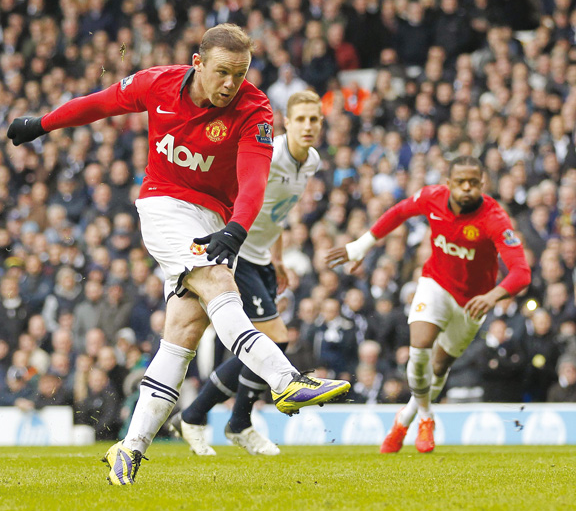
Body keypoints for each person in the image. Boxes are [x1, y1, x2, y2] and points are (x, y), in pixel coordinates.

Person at [7, 24, 350, 484]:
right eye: (222, 72)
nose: (231, 84)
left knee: (183, 334)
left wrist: (235, 228)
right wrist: (42, 123)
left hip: (215, 220)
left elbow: (253, 180)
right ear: (197, 63)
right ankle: (285, 380)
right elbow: (99, 103)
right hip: (164, 204)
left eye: (240, 73)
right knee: (218, 284)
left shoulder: (255, 109)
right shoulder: (158, 83)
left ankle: (129, 449)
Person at [327, 156, 531, 453]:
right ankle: (425, 417)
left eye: (473, 183)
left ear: (482, 184)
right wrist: (362, 244)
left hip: (473, 302)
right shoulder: (432, 197)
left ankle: (405, 418)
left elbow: (522, 272)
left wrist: (492, 296)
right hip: (435, 284)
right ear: (448, 183)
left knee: (439, 366)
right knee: (419, 349)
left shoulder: (494, 218)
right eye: (460, 181)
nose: (466, 188)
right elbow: (399, 212)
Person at [170, 90, 323, 457]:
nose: (307, 126)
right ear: (286, 121)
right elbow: (241, 195)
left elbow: (277, 213)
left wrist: (280, 258)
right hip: (239, 256)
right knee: (277, 338)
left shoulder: (312, 161)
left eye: (314, 119)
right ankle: (236, 423)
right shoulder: (270, 154)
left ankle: (196, 415)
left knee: (263, 345)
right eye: (300, 119)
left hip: (263, 258)